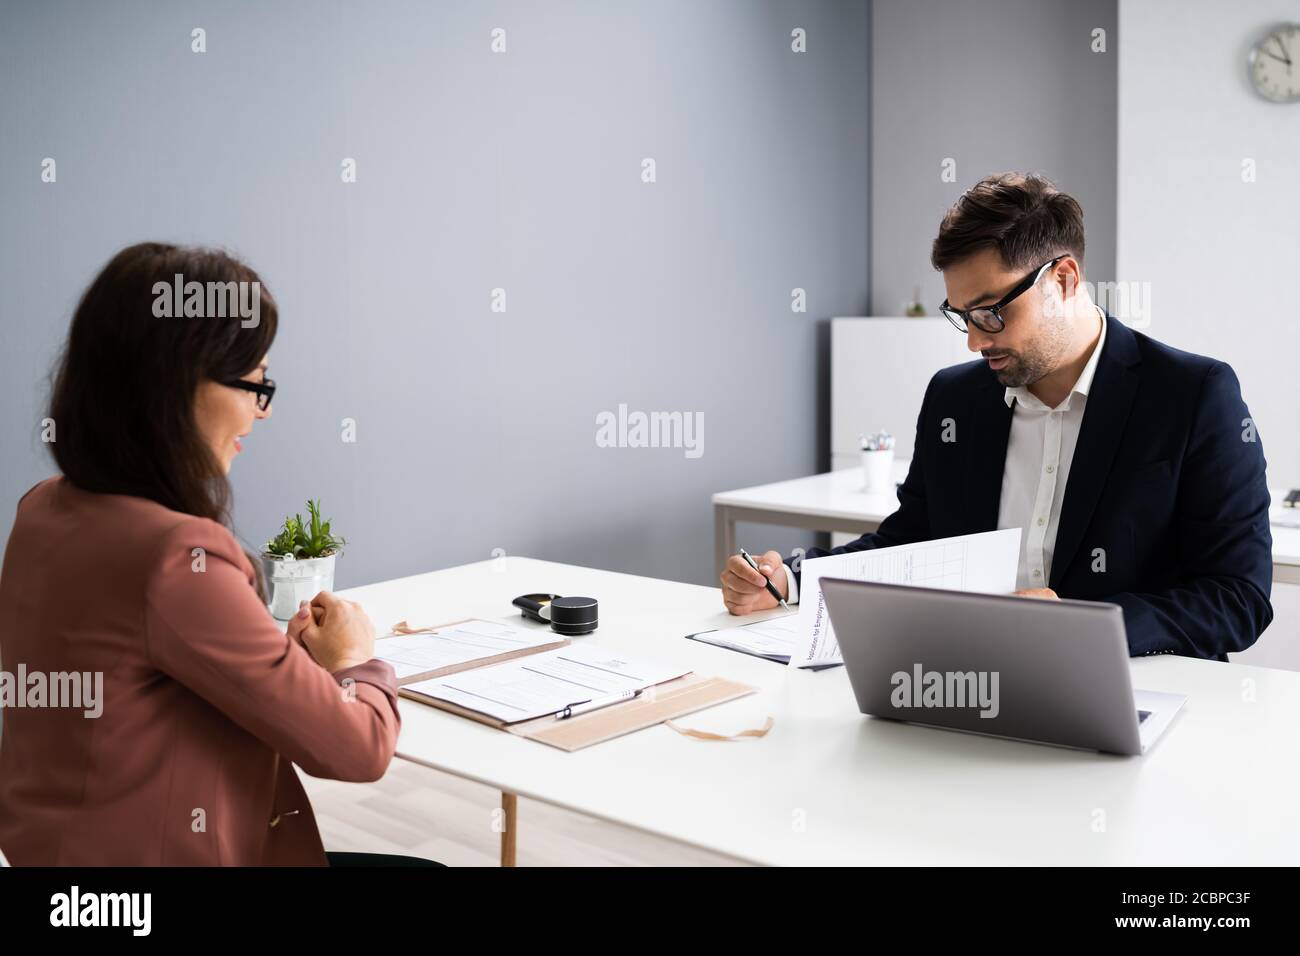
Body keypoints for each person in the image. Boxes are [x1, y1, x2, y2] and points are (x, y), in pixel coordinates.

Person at [721, 173, 1273, 661]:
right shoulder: (955, 398)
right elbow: (913, 542)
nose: (974, 342)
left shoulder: (1193, 395)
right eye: (961, 316)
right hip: (971, 683)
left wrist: (1086, 624)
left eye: (992, 312)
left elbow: (1238, 598)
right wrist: (792, 579)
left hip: (1133, 687)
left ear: (1063, 279)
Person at [0, 242, 414, 865]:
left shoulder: (42, 509)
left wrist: (271, 657)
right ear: (174, 385)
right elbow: (359, 749)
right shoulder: (174, 555)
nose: (260, 410)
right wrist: (354, 662)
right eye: (253, 383)